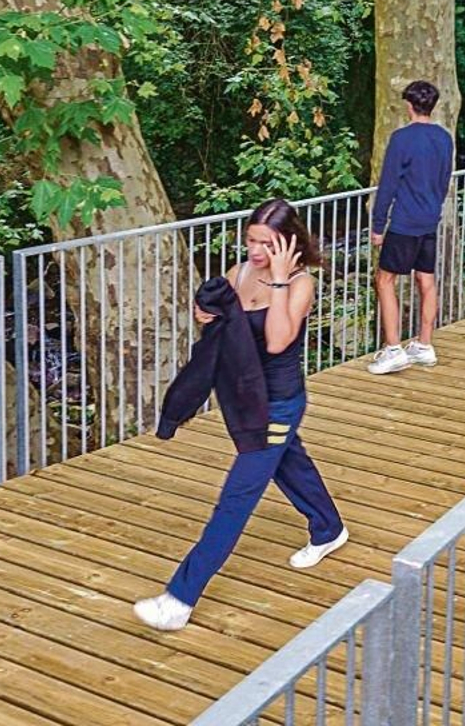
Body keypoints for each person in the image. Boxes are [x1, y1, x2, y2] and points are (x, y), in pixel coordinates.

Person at [135, 199, 347, 631]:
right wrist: (207, 316)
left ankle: (179, 598)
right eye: (251, 240)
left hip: (280, 402)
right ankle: (328, 528)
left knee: (236, 498)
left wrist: (282, 281)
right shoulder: (241, 272)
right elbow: (224, 328)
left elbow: (275, 342)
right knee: (289, 463)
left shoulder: (301, 284)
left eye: (266, 244)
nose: (254, 251)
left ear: (288, 243)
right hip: (244, 397)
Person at [367, 80, 454, 375]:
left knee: (384, 280)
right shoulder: (444, 138)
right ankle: (424, 345)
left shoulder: (401, 139)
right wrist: (433, 209)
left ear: (409, 105)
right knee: (426, 281)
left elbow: (388, 185)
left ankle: (393, 349)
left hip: (404, 221)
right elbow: (444, 180)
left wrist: (379, 225)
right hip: (429, 220)